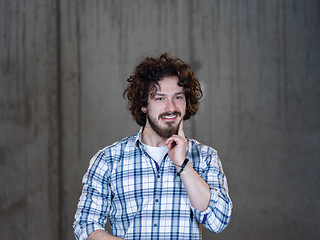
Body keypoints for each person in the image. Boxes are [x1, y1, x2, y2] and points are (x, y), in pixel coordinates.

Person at [73, 53, 232, 240]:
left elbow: (218, 221)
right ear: (143, 105)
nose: (171, 107)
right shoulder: (108, 159)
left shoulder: (205, 157)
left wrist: (183, 165)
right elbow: (85, 224)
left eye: (178, 97)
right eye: (160, 98)